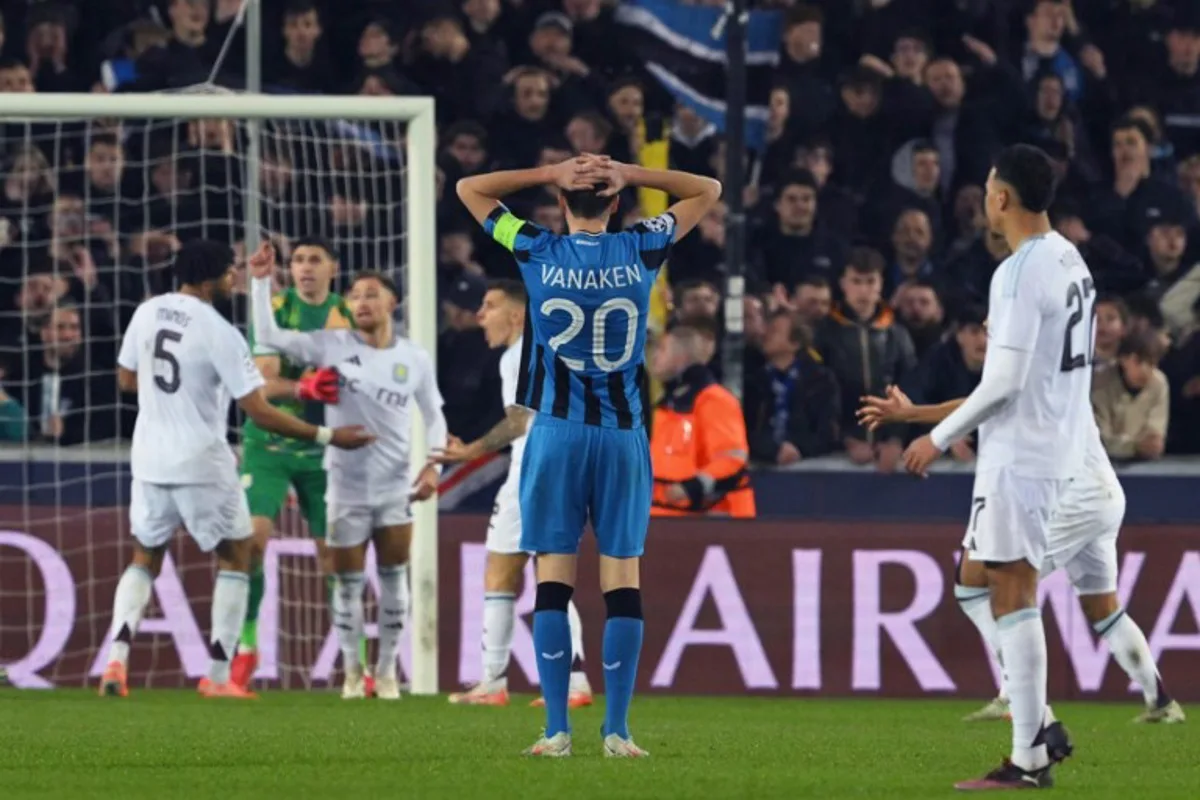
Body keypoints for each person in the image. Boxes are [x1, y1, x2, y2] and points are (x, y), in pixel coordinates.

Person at [456, 154, 721, 757]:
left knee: (553, 577)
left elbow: (471, 188)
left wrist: (548, 171)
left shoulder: (535, 249)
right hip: (622, 435)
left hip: (555, 434)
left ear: (562, 205)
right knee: (622, 579)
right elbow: (706, 189)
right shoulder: (641, 247)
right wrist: (631, 169)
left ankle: (555, 731)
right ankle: (619, 731)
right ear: (618, 204)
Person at [98, 240, 373, 700]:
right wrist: (326, 436)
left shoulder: (147, 312)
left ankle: (116, 662)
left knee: (144, 556)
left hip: (148, 458)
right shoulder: (219, 331)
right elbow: (260, 410)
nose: (233, 280)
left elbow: (126, 380)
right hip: (202, 459)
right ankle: (220, 675)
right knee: (238, 555)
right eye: (230, 273)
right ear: (210, 278)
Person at [900, 144, 1093, 790]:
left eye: (988, 188)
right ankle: (1040, 719)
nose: (986, 199)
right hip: (1057, 446)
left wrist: (938, 434)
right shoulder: (1071, 258)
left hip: (1023, 455)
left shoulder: (1016, 272)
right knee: (975, 578)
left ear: (1003, 198)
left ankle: (1029, 757)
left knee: (1011, 590)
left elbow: (1004, 380)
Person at [859, 386, 1184, 726]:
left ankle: (1022, 699)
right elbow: (990, 399)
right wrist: (917, 415)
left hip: (1074, 497)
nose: (988, 329)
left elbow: (991, 399)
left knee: (982, 585)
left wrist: (921, 423)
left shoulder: (1029, 355)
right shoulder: (1057, 363)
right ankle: (1160, 702)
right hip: (1101, 493)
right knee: (1103, 608)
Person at [248, 245, 447, 702]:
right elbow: (268, 334)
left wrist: (433, 466)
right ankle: (354, 674)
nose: (360, 302)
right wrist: (261, 284)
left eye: (371, 294)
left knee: (396, 578)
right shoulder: (329, 344)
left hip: (397, 486)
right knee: (348, 584)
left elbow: (434, 415)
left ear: (391, 304)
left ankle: (388, 671)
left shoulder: (414, 358)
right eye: (355, 295)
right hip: (344, 487)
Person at [433, 280, 593, 709]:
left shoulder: (517, 355)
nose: (481, 315)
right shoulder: (557, 352)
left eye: (490, 306)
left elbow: (519, 420)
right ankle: (571, 682)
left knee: (503, 572)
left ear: (518, 315)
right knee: (547, 572)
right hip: (567, 468)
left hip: (534, 470)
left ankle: (494, 681)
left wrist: (470, 451)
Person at [233, 237, 358, 692]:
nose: (304, 268)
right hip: (268, 443)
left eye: (314, 260)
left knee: (334, 556)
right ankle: (246, 647)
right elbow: (263, 386)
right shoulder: (276, 308)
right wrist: (305, 387)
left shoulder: (348, 313)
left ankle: (354, 660)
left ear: (333, 268)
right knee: (252, 540)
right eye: (298, 260)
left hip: (327, 449)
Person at [648, 317, 755, 518]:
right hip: (670, 520)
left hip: (716, 525)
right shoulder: (667, 405)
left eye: (662, 350)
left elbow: (731, 461)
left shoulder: (714, 400)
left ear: (680, 357)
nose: (654, 357)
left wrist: (692, 487)